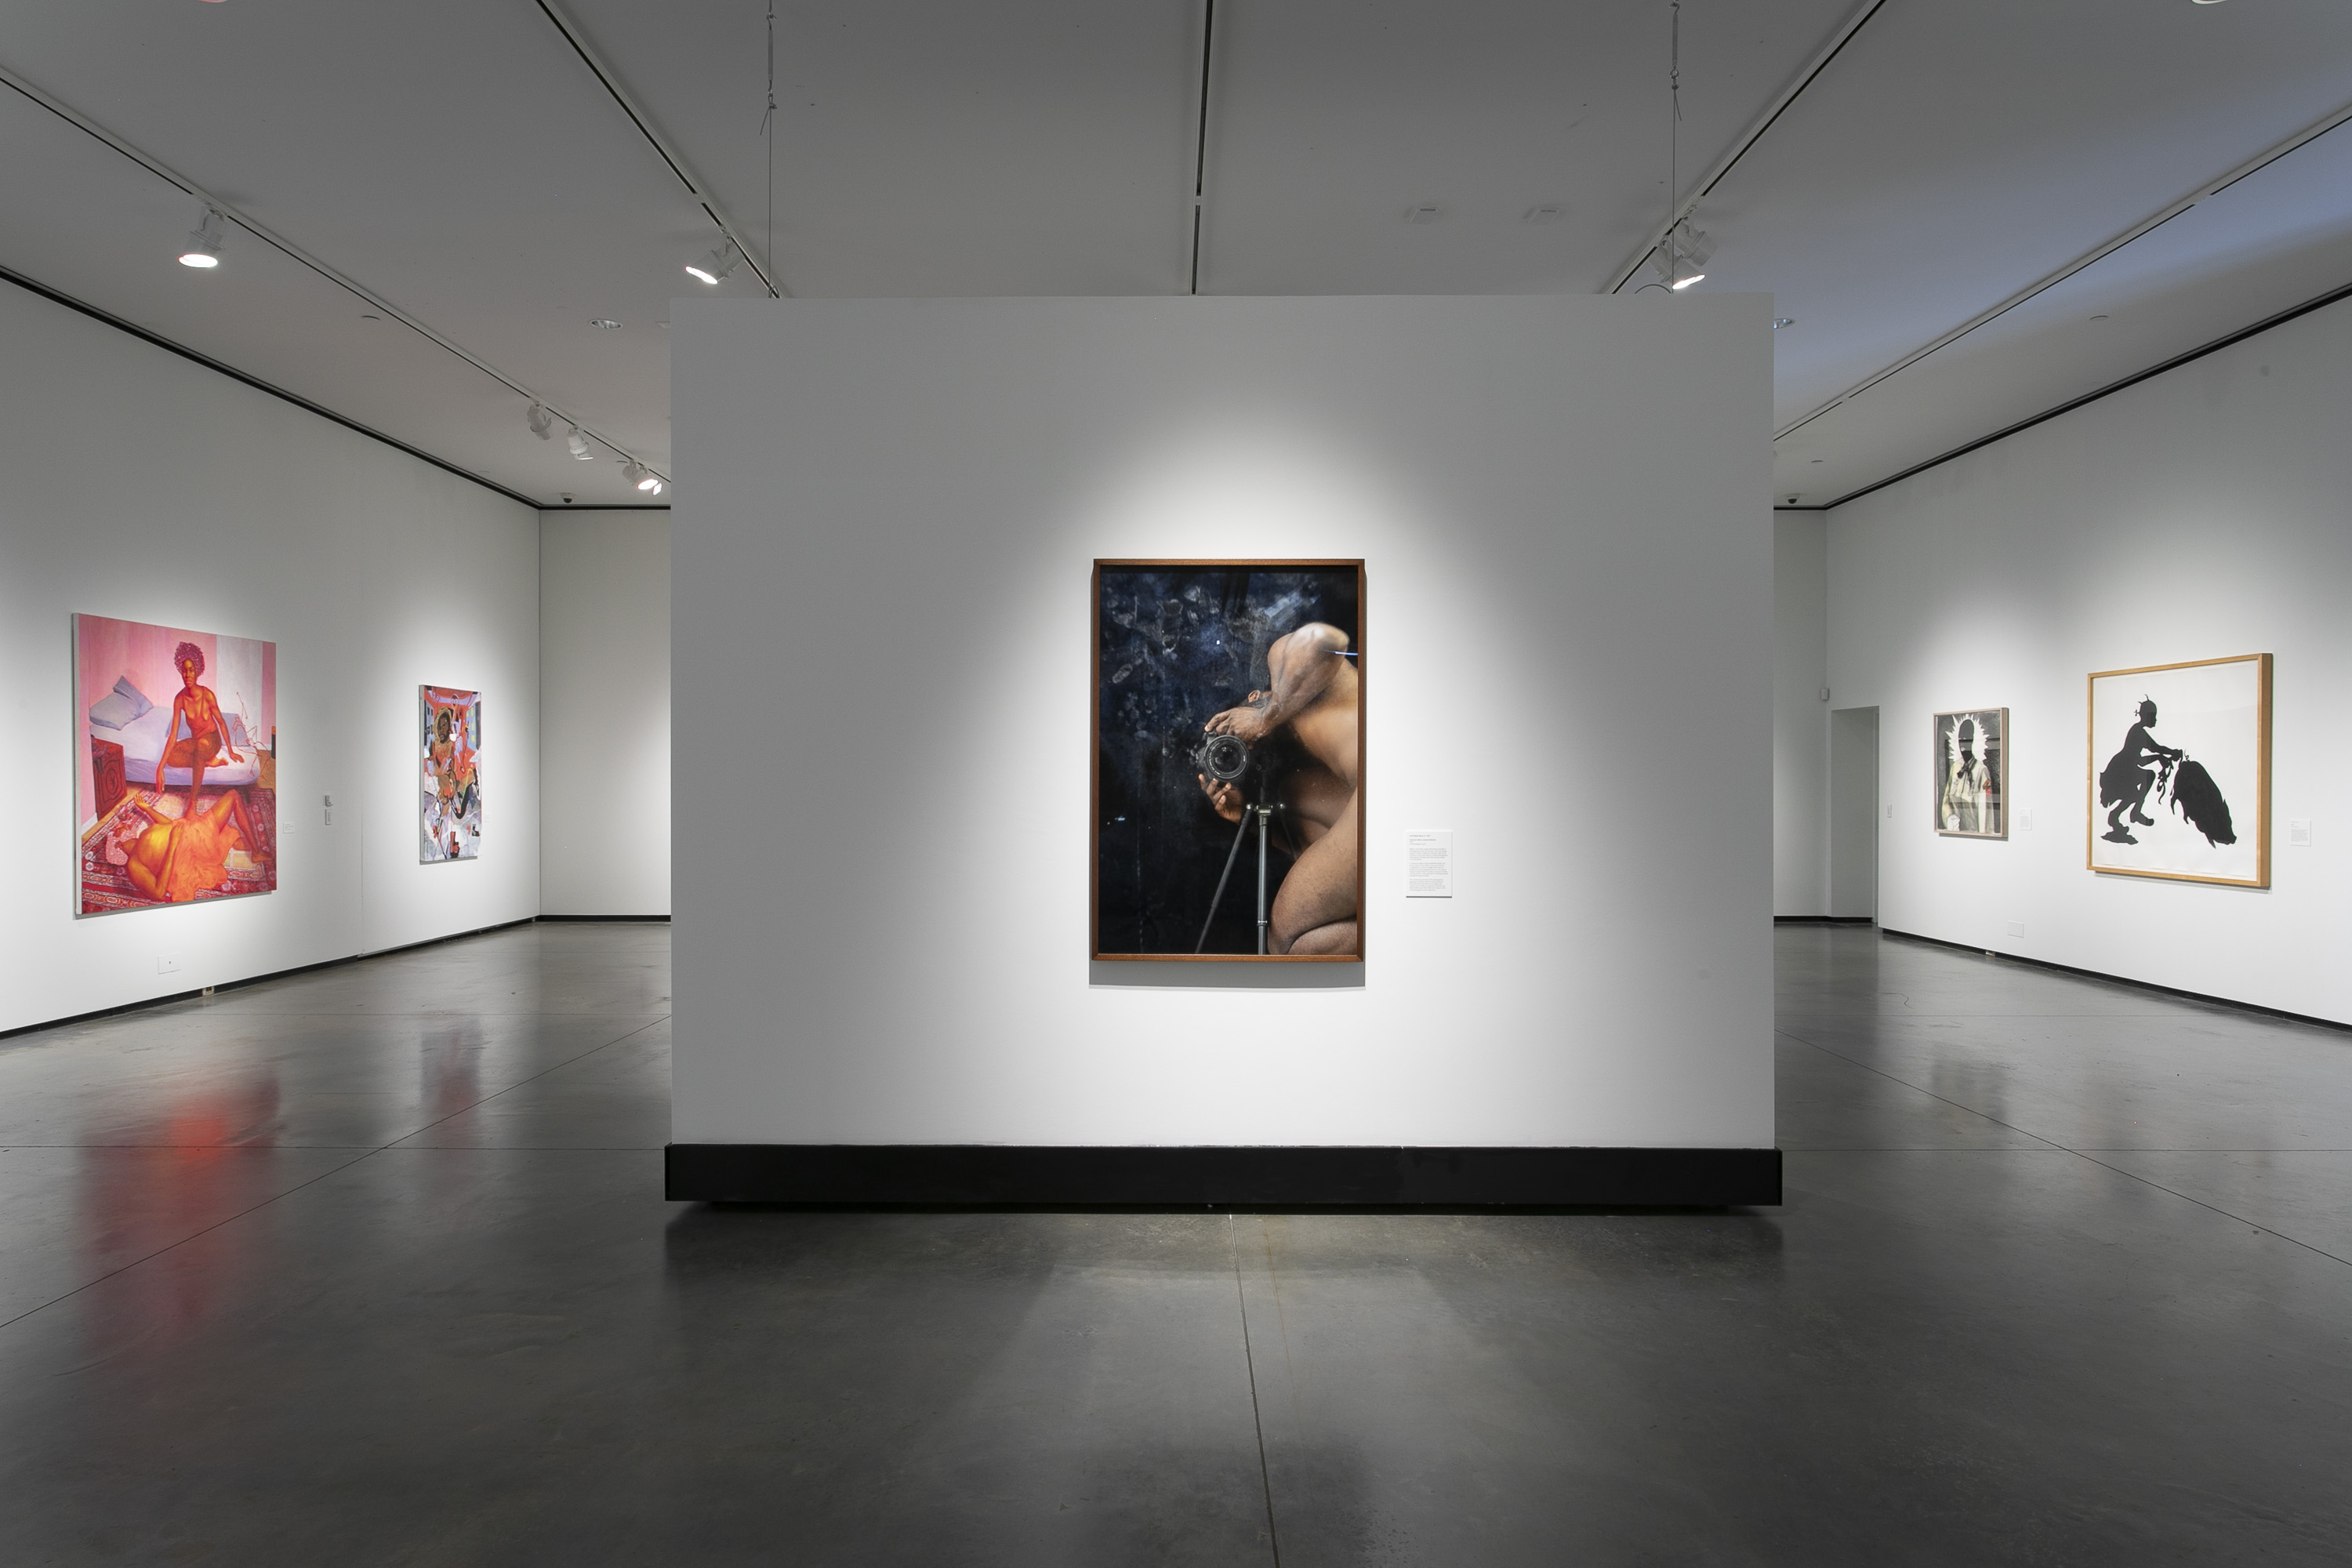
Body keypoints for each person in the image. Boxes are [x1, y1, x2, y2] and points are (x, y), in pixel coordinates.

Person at [1196, 622, 1359, 955]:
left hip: (1382, 779)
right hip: (1378, 790)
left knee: (1283, 939)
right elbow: (1319, 855)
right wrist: (1243, 817)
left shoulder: (1283, 667)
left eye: (1233, 728)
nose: (1246, 741)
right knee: (1300, 946)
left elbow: (1325, 638)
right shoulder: (1310, 776)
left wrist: (1263, 717)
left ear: (1254, 697)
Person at [122, 786, 260, 903]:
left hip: (187, 831)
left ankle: (227, 840)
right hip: (190, 847)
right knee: (233, 796)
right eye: (120, 842)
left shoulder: (141, 841)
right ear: (120, 851)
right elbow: (158, 894)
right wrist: (173, 844)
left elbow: (167, 824)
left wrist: (147, 808)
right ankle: (256, 852)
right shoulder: (133, 865)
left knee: (192, 813)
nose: (124, 838)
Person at [156, 641, 240, 815]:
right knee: (171, 757)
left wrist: (230, 751)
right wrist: (160, 768)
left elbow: (221, 723)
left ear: (197, 671)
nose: (187, 674)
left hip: (212, 740)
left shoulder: (207, 695)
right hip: (197, 742)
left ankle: (192, 803)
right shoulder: (179, 699)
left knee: (201, 746)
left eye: (191, 670)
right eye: (184, 670)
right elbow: (173, 735)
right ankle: (206, 762)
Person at [2099, 697, 2180, 845]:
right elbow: (2155, 749)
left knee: (2146, 779)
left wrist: (2161, 756)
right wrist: (2169, 753)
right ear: (2146, 716)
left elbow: (2143, 759)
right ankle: (2124, 815)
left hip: (2126, 768)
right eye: (2153, 716)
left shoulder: (2138, 731)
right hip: (2122, 770)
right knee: (2134, 793)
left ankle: (2124, 816)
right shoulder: (2138, 732)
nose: (2155, 720)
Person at [1941, 717, 1991, 833]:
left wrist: (1983, 836)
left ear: (1973, 740)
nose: (1962, 743)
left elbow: (1985, 809)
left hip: (1973, 833)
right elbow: (1946, 799)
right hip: (1955, 832)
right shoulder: (1955, 768)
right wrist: (1949, 818)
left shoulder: (1982, 771)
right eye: (1960, 739)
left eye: (1966, 739)